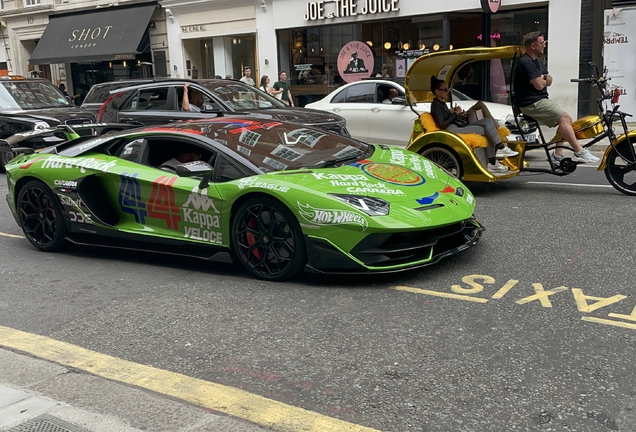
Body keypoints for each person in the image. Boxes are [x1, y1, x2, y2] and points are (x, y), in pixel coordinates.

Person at [514, 31, 599, 164]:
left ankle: (557, 155)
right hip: (530, 103)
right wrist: (543, 79)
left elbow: (549, 79)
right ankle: (579, 151)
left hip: (539, 99)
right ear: (533, 46)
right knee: (564, 118)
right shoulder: (526, 62)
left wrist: (543, 78)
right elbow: (539, 86)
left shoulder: (538, 61)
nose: (544, 46)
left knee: (566, 119)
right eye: (542, 43)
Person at [430, 76, 518, 174]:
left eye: (448, 89)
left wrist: (461, 115)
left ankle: (499, 150)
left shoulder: (442, 103)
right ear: (437, 91)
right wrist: (456, 113)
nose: (448, 92)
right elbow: (442, 124)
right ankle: (494, 159)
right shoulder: (436, 105)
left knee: (488, 121)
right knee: (486, 131)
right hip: (451, 130)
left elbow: (450, 118)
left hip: (456, 125)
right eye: (445, 90)